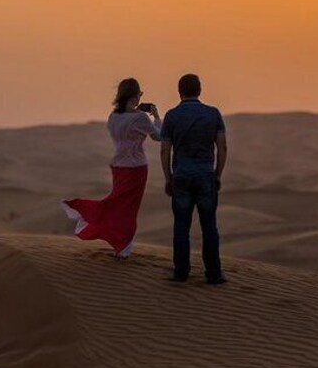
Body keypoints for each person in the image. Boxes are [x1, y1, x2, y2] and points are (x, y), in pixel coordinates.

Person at [61, 78, 162, 258]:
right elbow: (158, 136)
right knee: (128, 210)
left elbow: (125, 130)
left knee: (117, 204)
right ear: (136, 96)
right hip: (136, 168)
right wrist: (156, 117)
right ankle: (120, 245)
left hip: (118, 168)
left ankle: (121, 245)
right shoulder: (140, 118)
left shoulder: (113, 117)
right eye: (139, 95)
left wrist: (135, 111)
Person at [160, 74, 228, 284]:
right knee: (209, 226)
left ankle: (181, 272)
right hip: (205, 175)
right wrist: (217, 174)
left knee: (181, 226)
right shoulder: (213, 114)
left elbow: (164, 150)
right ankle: (214, 274)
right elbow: (222, 146)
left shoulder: (171, 116)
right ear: (199, 90)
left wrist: (168, 178)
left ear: (179, 91)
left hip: (181, 176)